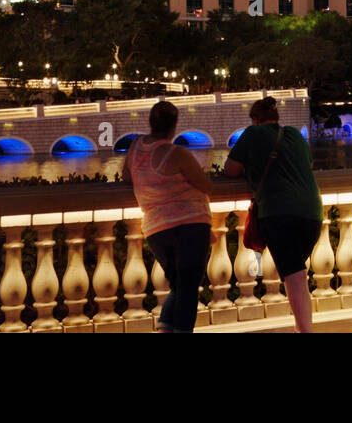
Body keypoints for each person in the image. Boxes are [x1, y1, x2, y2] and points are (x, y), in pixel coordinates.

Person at [224, 96, 323, 333]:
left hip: (279, 212)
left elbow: (230, 170)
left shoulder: (252, 134)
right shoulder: (295, 135)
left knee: (294, 275)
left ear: (255, 120)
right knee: (294, 272)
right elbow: (306, 166)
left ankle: (305, 331)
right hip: (312, 212)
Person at [122, 100, 213, 333]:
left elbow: (126, 177)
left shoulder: (135, 147)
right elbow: (206, 184)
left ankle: (164, 329)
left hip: (156, 230)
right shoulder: (177, 153)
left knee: (180, 286)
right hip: (191, 226)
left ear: (150, 122)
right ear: (175, 125)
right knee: (188, 289)